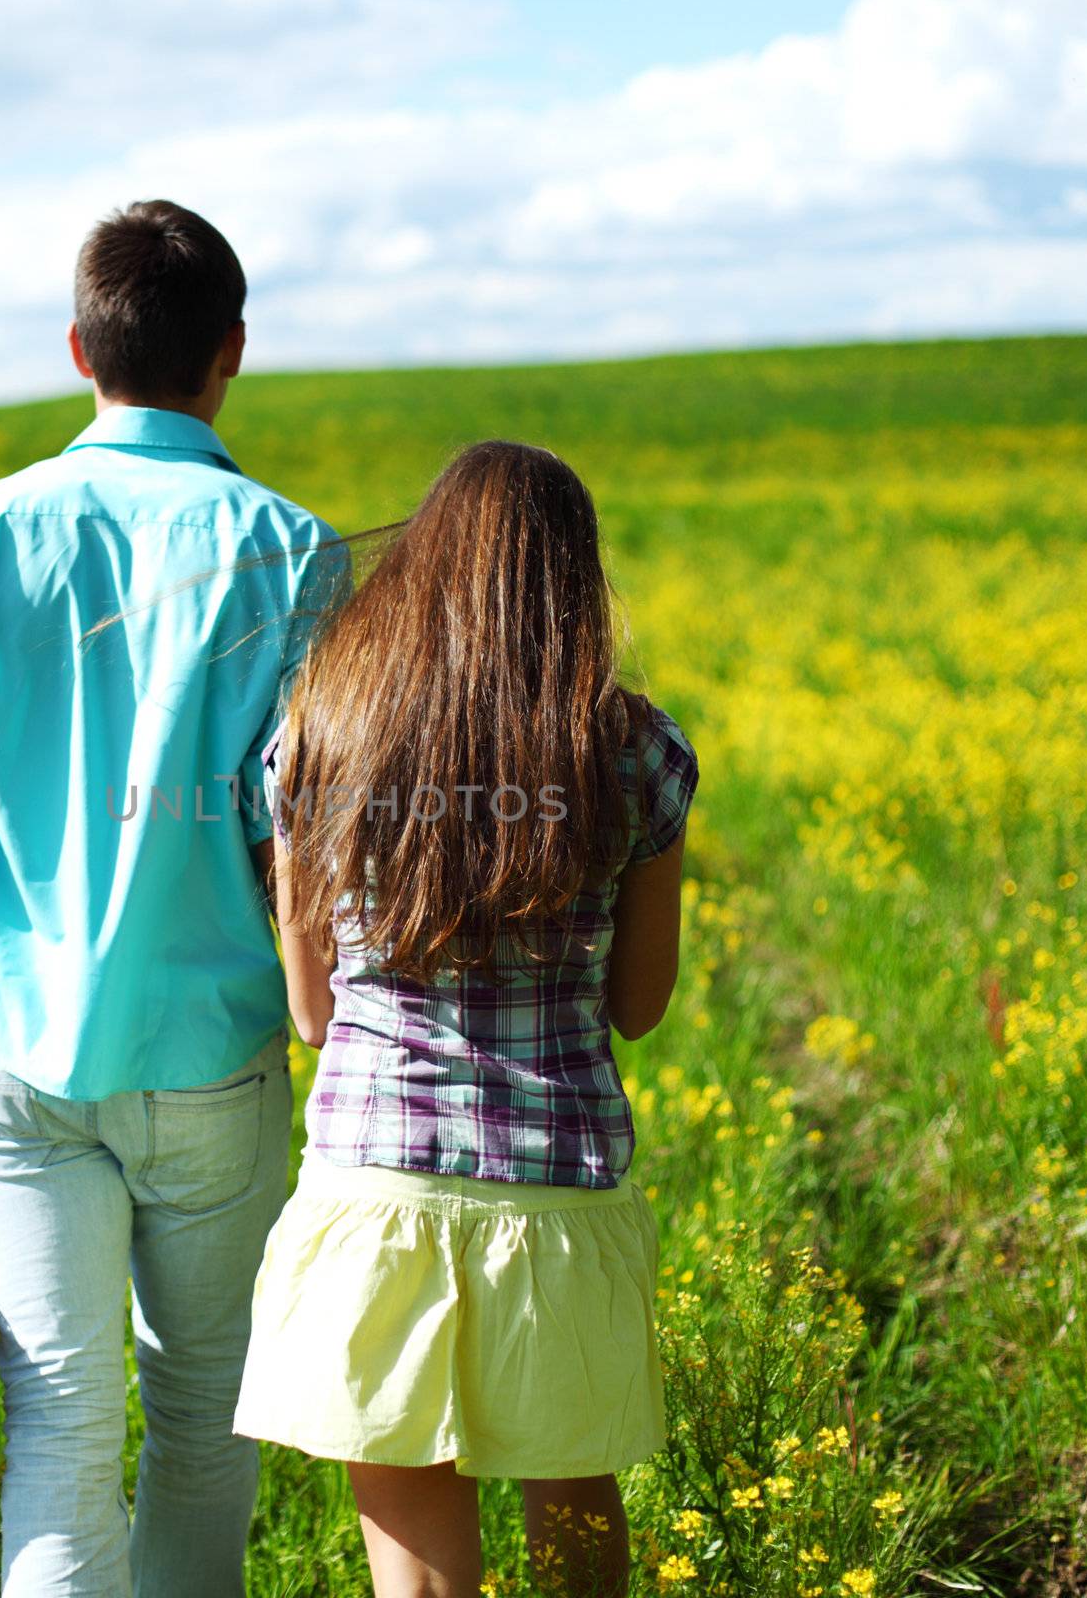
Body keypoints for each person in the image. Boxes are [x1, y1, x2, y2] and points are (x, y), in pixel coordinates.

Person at [0, 199, 350, 1598]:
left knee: (60, 1428)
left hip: (23, 1065)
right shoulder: (297, 551)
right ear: (232, 354)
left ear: (78, 347)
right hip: (218, 1055)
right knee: (205, 1422)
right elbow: (309, 833)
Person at [233, 441, 698, 1598]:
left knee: (415, 1555)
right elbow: (637, 1007)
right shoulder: (633, 749)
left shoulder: (322, 733)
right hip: (557, 1192)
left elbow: (308, 1010)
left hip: (375, 1193)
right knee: (575, 1517)